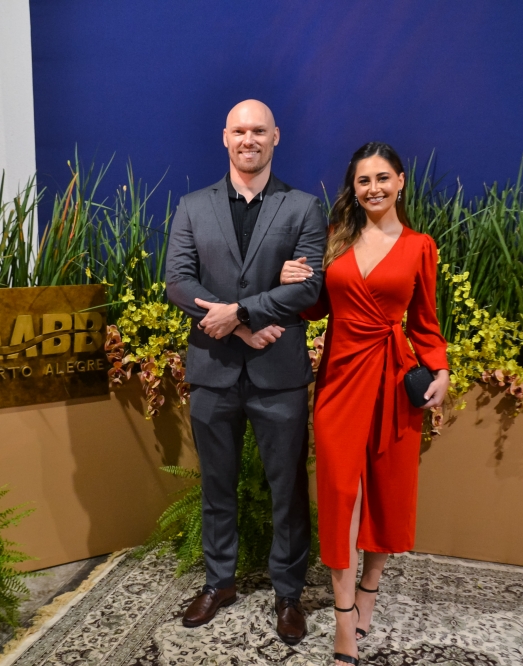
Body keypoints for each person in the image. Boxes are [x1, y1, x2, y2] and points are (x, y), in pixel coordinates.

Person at [279, 142, 449, 666]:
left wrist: (441, 369)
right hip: (340, 378)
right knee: (339, 493)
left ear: (400, 181)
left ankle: (369, 589)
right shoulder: (335, 238)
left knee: (385, 488)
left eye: (382, 178)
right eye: (363, 181)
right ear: (353, 189)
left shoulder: (420, 246)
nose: (373, 188)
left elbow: (425, 322)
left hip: (394, 379)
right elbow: (315, 308)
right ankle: (343, 616)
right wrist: (292, 283)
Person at [165, 99, 327, 644]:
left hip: (278, 373)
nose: (249, 139)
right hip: (213, 370)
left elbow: (308, 287)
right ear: (225, 137)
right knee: (217, 486)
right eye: (239, 130)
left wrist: (241, 312)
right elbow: (177, 282)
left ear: (276, 137)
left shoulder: (303, 208)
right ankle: (219, 582)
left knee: (288, 490)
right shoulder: (192, 206)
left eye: (259, 130)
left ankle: (289, 593)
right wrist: (238, 326)